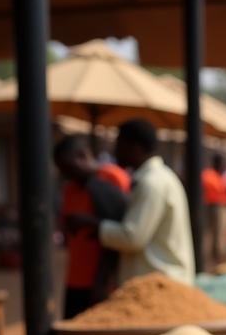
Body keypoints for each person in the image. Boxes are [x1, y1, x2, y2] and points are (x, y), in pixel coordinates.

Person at [70, 119, 194, 283]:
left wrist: (93, 224)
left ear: (135, 147)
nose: (116, 152)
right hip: (161, 280)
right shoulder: (159, 178)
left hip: (161, 282)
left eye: (120, 145)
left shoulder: (152, 183)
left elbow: (132, 238)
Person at [55, 134, 129, 319]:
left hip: (101, 281)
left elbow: (116, 234)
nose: (65, 175)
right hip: (75, 276)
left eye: (68, 168)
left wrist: (102, 282)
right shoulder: (71, 188)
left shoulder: (110, 179)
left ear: (82, 156)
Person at [201, 153, 226, 270]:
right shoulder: (210, 175)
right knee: (216, 235)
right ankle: (217, 261)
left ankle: (217, 260)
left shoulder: (218, 176)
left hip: (220, 207)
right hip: (215, 207)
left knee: (218, 234)